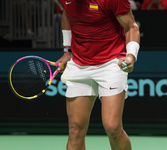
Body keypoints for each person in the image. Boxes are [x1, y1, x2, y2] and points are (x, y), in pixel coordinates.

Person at [57, 0, 140, 150]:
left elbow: (131, 27)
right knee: (75, 130)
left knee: (113, 127)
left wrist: (131, 56)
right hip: (79, 64)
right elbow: (67, 14)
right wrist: (66, 51)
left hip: (111, 64)